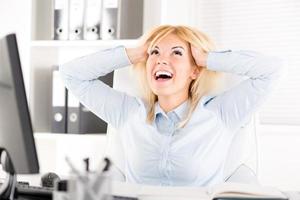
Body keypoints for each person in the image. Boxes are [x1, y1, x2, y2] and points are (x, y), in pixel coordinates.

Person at [59, 25, 283, 186]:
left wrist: (207, 59)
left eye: (176, 53)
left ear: (194, 70)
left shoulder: (221, 113)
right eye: (155, 52)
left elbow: (272, 71)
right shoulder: (127, 112)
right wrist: (136, 53)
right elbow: (71, 74)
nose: (161, 60)